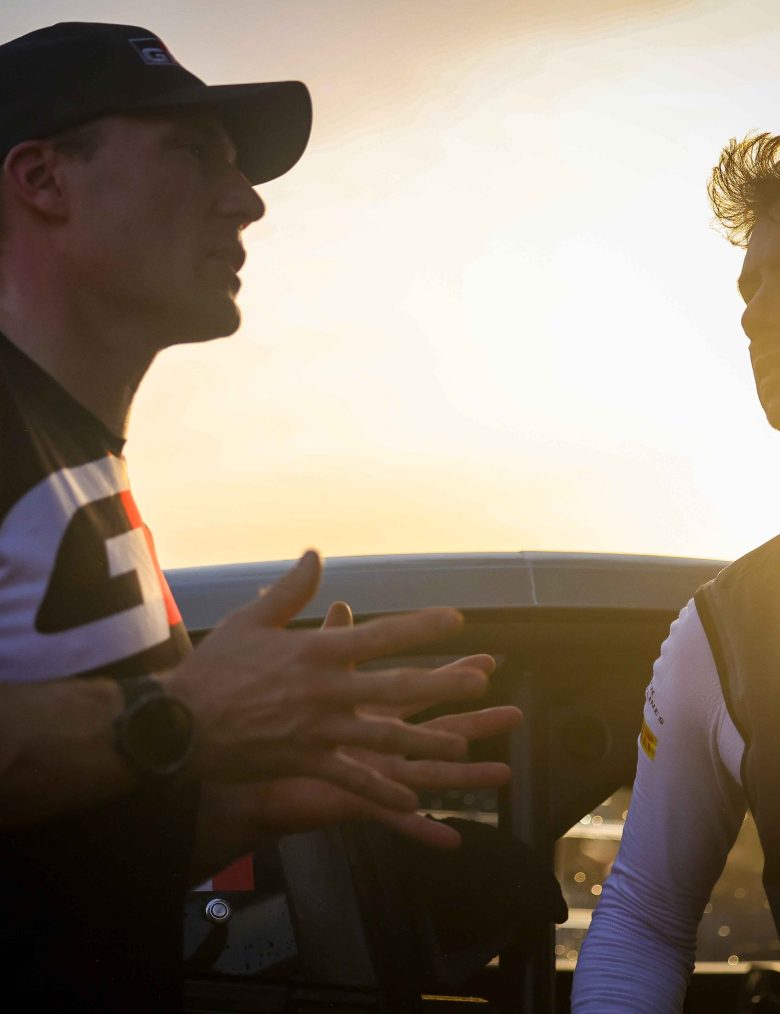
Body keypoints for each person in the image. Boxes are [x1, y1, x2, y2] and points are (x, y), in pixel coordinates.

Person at [0, 22, 522, 1012]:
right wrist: (179, 721)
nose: (247, 201)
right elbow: (150, 730)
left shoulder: (80, 457)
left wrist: (236, 802)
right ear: (42, 180)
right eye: (193, 155)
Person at [572, 131, 780, 1011]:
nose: (752, 313)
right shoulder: (728, 632)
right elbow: (646, 918)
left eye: (779, 279)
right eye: (748, 287)